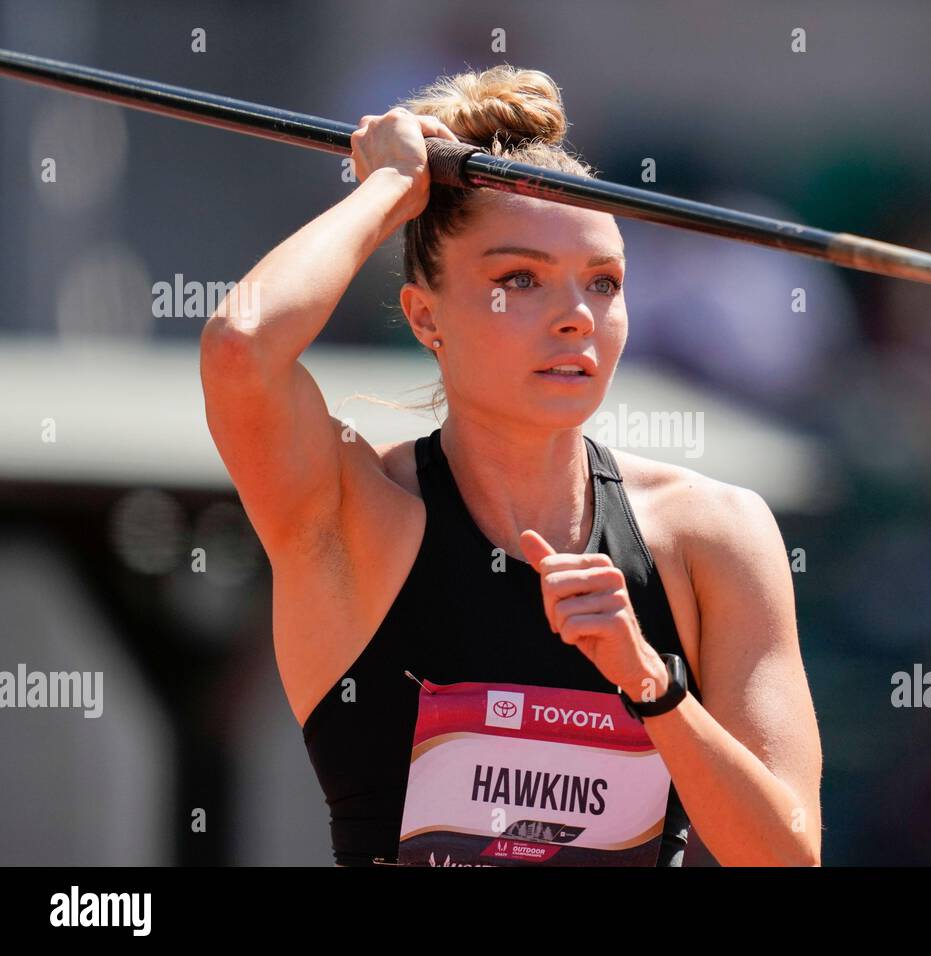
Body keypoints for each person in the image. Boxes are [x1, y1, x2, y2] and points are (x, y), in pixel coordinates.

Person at [199, 64, 822, 866]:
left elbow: (788, 856)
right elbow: (243, 348)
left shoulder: (714, 533)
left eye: (603, 283)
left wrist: (651, 686)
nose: (575, 318)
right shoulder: (356, 515)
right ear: (426, 316)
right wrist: (390, 187)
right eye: (519, 280)